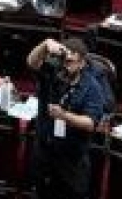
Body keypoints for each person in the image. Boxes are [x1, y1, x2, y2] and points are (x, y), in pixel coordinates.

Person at [26, 37, 105, 199]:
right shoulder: (53, 72)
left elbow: (90, 123)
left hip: (71, 161)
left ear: (82, 63)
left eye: (70, 62)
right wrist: (45, 44)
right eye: (64, 61)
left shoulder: (92, 88)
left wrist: (64, 116)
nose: (66, 66)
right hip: (44, 152)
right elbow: (32, 62)